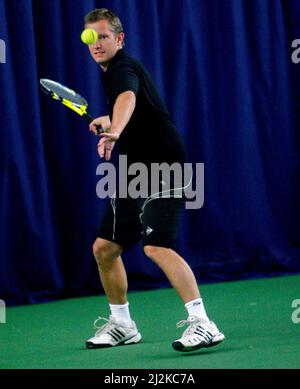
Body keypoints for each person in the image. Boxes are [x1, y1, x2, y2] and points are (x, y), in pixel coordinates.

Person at [84, 8, 225, 352]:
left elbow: (128, 97)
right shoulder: (111, 72)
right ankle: (122, 324)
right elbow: (130, 104)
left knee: (157, 246)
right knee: (105, 248)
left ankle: (203, 323)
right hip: (134, 168)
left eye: (104, 36)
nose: (97, 43)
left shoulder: (124, 68)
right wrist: (111, 119)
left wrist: (115, 128)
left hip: (164, 165)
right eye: (91, 37)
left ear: (119, 39)